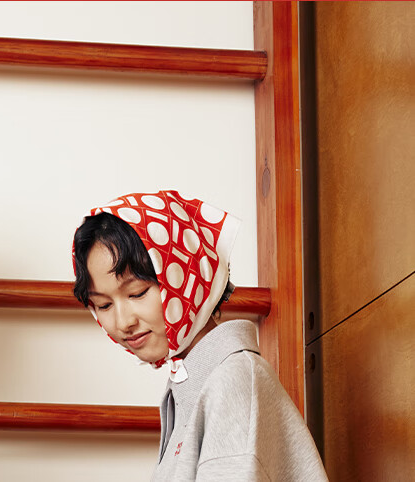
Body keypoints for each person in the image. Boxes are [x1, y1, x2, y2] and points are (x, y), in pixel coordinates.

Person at [71, 190, 327, 481]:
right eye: (103, 305)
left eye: (137, 293)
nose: (123, 322)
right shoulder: (193, 383)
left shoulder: (232, 381)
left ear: (183, 276)